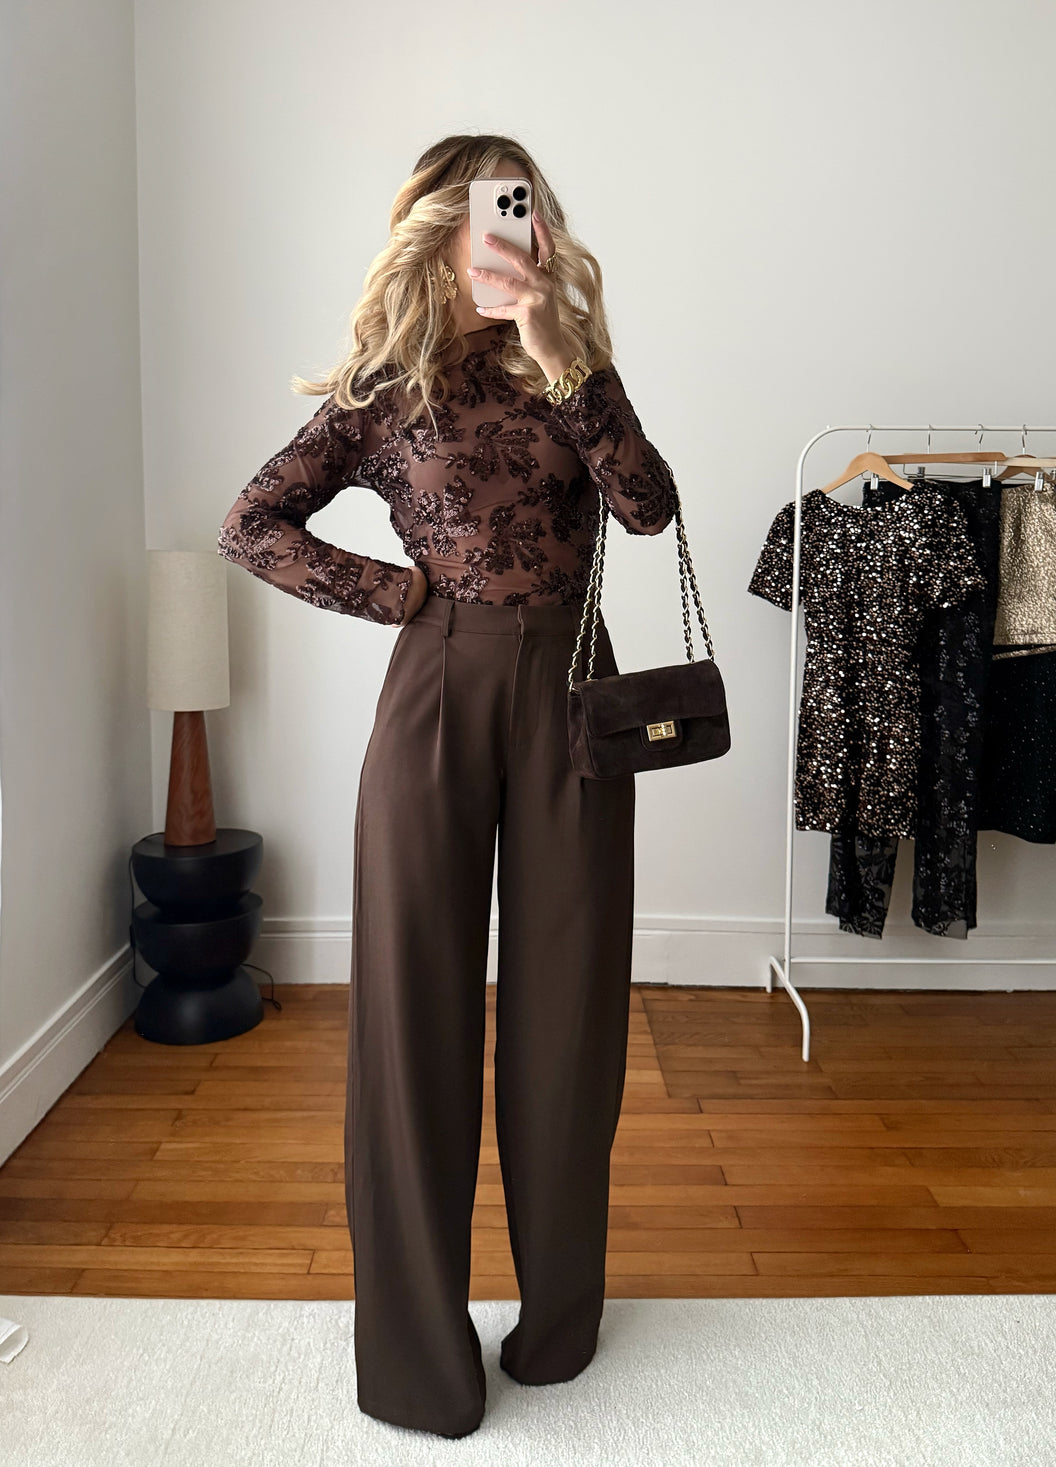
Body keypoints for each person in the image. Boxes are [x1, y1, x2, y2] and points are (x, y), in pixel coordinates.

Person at [216, 133, 680, 1440]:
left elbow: (648, 507)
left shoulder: (571, 365)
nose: (505, 231)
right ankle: (420, 1361)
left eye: (521, 207)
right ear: (438, 228)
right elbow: (251, 523)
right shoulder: (385, 386)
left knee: (568, 1012)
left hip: (576, 689)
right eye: (483, 209)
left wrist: (563, 351)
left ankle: (559, 1326)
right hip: (435, 685)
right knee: (412, 1015)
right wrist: (398, 595)